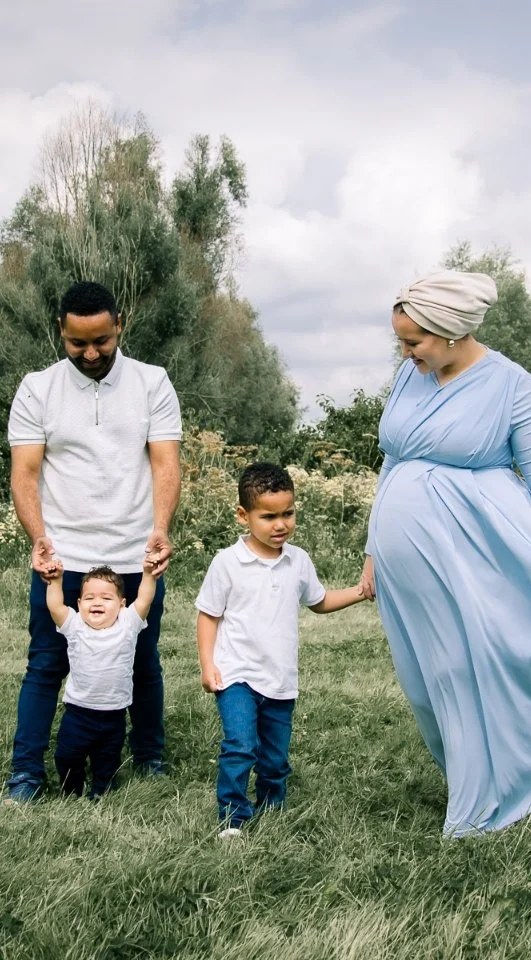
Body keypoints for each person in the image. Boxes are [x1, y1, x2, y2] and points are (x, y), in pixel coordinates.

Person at [359, 269, 531, 837]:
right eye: (401, 340)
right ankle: (470, 774)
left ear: (453, 331)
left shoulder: (512, 384)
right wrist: (372, 548)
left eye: (414, 341)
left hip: (479, 555)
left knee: (480, 663)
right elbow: (393, 461)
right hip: (409, 565)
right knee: (428, 678)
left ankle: (496, 795)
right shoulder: (412, 376)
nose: (404, 351)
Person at [6, 280, 181, 803]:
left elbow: (166, 462)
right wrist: (39, 539)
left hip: (134, 553)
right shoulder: (38, 388)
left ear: (119, 325)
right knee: (46, 663)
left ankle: (149, 757)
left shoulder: (153, 383)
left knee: (141, 660)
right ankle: (26, 774)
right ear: (61, 331)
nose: (90, 353)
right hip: (64, 559)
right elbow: (25, 473)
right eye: (78, 343)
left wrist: (160, 530)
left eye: (101, 341)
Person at [195, 462, 365, 837]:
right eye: (268, 516)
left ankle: (272, 808)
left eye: (287, 513)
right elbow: (208, 615)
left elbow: (318, 601)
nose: (280, 524)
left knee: (274, 757)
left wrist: (359, 591)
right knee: (240, 745)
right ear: (244, 515)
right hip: (236, 673)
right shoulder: (227, 563)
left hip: (280, 678)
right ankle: (233, 818)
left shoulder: (298, 560)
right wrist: (208, 664)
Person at [46, 558, 158, 799]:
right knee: (66, 756)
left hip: (114, 713)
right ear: (79, 603)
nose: (97, 602)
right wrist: (55, 581)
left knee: (107, 758)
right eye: (89, 598)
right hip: (78, 713)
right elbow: (56, 607)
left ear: (121, 604)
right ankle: (72, 790)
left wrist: (148, 575)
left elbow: (145, 599)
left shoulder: (128, 624)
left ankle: (101, 790)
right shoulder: (75, 626)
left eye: (106, 598)